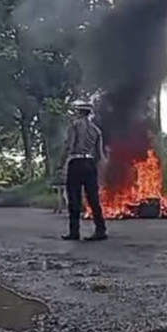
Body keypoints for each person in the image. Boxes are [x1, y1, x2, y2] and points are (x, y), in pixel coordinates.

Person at [58, 100, 107, 241]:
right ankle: (100, 229)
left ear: (79, 112)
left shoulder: (74, 125)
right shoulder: (97, 130)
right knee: (93, 198)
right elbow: (99, 154)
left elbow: (69, 145)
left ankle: (74, 232)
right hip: (90, 163)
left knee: (74, 198)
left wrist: (61, 163)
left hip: (76, 162)